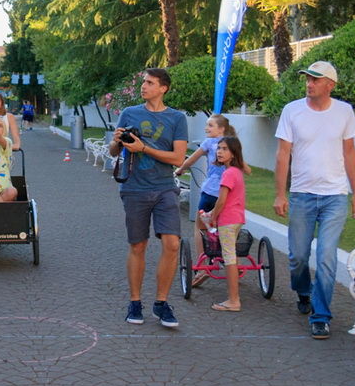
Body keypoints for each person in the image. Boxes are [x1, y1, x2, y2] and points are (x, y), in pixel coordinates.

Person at [274, 60, 355, 340]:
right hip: (302, 195)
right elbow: (282, 154)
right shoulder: (292, 110)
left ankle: (321, 316)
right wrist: (280, 193)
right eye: (307, 79)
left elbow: (349, 153)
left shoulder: (345, 112)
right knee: (298, 256)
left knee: (326, 256)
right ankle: (303, 291)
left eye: (315, 79)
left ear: (330, 85)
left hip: (335, 196)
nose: (309, 83)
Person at [108, 67, 188, 328]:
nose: (144, 87)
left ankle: (161, 304)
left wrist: (144, 148)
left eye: (150, 83)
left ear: (163, 88)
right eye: (143, 82)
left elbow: (178, 158)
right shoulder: (130, 113)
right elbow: (112, 152)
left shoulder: (177, 118)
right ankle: (135, 302)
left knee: (172, 244)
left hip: (165, 187)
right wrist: (117, 140)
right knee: (138, 246)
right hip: (134, 188)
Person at [175, 114, 236, 285]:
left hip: (209, 193)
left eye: (210, 125)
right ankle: (228, 259)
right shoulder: (232, 144)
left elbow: (192, 159)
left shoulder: (209, 143)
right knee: (223, 226)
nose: (206, 128)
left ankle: (203, 266)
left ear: (221, 129)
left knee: (200, 227)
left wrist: (180, 170)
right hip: (228, 193)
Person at [205, 136, 251, 313]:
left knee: (229, 259)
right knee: (230, 257)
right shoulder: (236, 172)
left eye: (225, 149)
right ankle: (233, 298)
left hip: (228, 220)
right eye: (219, 148)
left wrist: (213, 217)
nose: (220, 152)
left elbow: (222, 201)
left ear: (233, 153)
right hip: (237, 218)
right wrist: (212, 213)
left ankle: (233, 300)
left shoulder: (228, 173)